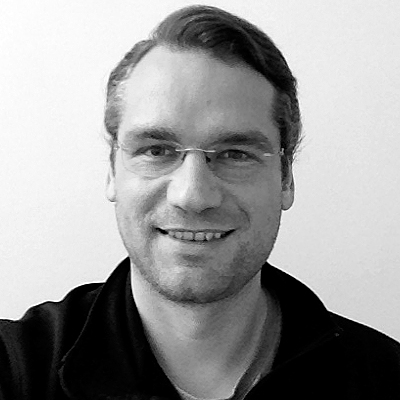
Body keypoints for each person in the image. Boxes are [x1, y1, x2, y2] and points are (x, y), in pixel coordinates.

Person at [0, 5, 399, 400]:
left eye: (235, 154)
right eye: (156, 150)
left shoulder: (385, 379)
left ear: (286, 179)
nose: (192, 196)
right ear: (112, 172)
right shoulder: (15, 369)